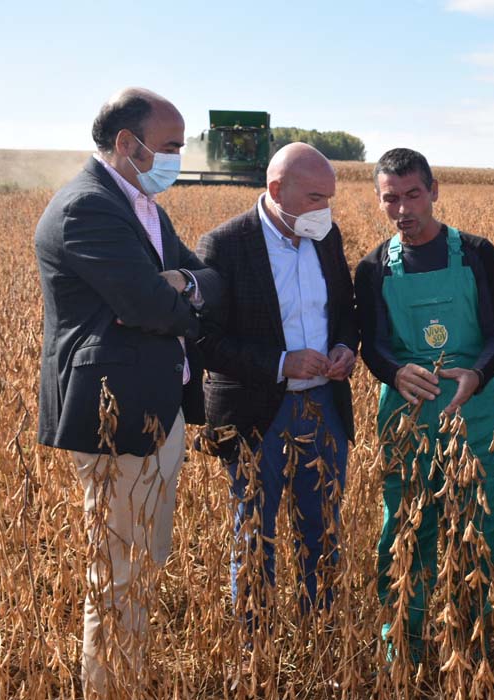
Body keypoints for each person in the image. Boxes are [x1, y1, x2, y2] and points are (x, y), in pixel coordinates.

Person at [34, 87, 222, 696]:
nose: (176, 159)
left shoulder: (140, 204)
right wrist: (174, 298)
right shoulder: (86, 208)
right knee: (115, 578)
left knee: (140, 569)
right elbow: (145, 304)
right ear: (126, 143)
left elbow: (206, 279)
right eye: (168, 147)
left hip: (157, 413)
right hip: (114, 420)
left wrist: (182, 286)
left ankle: (129, 682)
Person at [354, 148, 494, 662]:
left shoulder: (476, 253)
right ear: (380, 201)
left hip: (473, 411)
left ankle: (472, 643)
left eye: (413, 195)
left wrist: (477, 373)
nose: (403, 209)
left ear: (434, 190)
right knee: (403, 527)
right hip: (405, 415)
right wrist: (396, 372)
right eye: (390, 199)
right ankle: (404, 642)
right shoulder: (374, 267)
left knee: (476, 527)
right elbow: (372, 344)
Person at [196, 143, 357, 621]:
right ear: (275, 191)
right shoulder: (224, 245)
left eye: (328, 197)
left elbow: (345, 311)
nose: (324, 209)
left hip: (323, 404)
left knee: (322, 524)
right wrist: (281, 363)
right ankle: (255, 643)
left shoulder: (326, 237)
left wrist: (347, 348)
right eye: (314, 197)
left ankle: (322, 631)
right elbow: (205, 340)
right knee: (254, 528)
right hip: (255, 409)